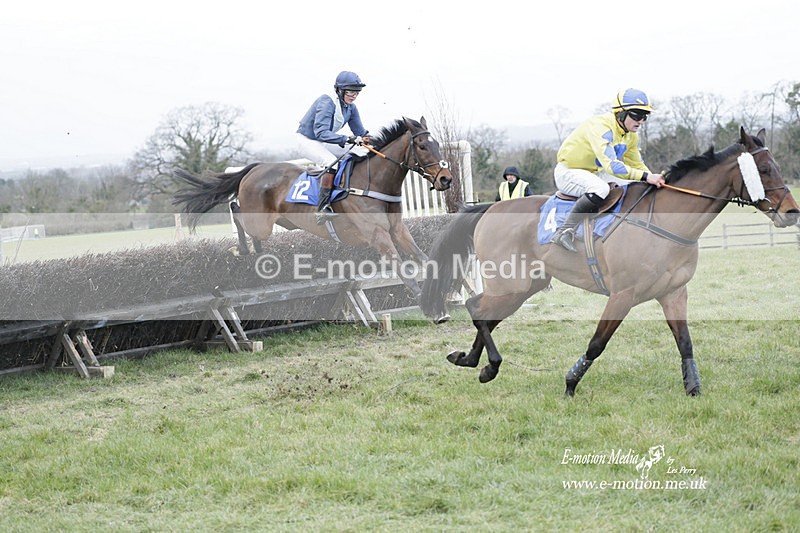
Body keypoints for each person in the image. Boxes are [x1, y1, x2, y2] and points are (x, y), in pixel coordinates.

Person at [550, 88, 666, 252]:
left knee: (635, 183)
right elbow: (612, 166)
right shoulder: (601, 127)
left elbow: (637, 165)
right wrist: (646, 176)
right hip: (569, 171)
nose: (641, 121)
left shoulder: (631, 135)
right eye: (636, 115)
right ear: (621, 113)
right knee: (600, 189)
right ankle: (564, 232)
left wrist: (651, 177)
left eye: (644, 116)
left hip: (594, 172)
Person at [296, 71, 371, 222]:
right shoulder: (327, 102)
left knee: (360, 152)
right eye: (350, 91)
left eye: (357, 92)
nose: (354, 95)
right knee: (330, 161)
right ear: (339, 90)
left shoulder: (351, 108)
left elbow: (361, 133)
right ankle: (322, 208)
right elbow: (321, 133)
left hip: (324, 141)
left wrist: (376, 141)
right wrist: (347, 138)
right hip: (307, 140)